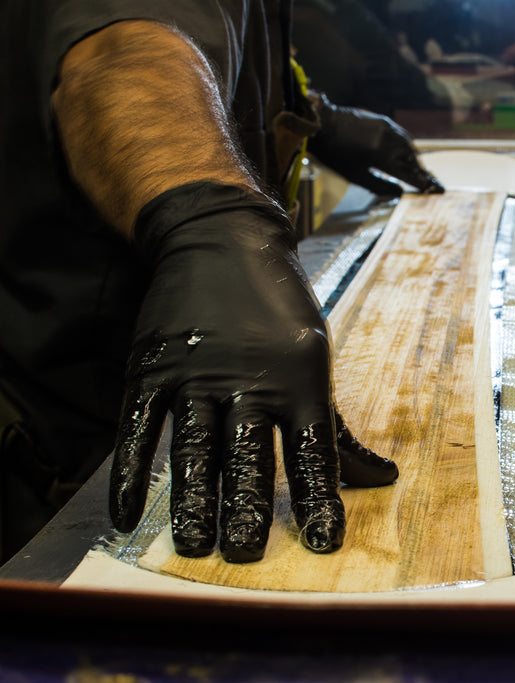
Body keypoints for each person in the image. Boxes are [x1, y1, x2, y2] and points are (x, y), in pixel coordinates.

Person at [0, 1, 443, 564]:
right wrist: (206, 221)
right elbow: (123, 58)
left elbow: (213, 45)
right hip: (85, 428)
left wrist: (314, 118)